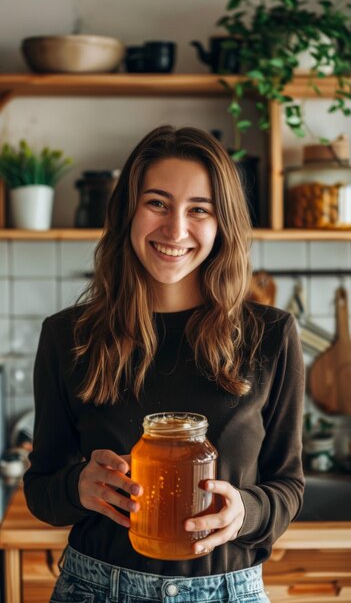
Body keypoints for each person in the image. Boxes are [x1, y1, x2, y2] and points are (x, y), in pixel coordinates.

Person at [23, 125, 305, 603]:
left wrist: (246, 512)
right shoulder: (68, 336)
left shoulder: (272, 335)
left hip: (228, 591)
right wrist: (78, 486)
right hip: (96, 589)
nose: (175, 230)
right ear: (128, 211)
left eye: (199, 209)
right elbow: (41, 488)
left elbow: (289, 485)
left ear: (222, 224)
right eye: (157, 203)